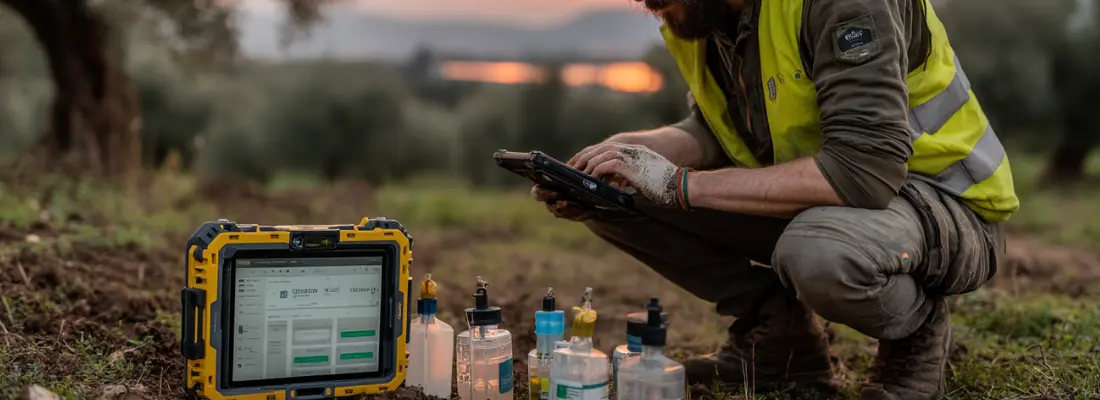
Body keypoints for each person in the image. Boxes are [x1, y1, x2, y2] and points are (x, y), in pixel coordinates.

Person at [531, 0, 1018, 398]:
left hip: (946, 204)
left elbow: (863, 171)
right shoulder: (716, 18)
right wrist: (627, 155)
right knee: (614, 194)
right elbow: (712, 131)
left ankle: (916, 331)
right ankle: (781, 341)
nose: (651, 6)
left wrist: (680, 184)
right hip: (834, 203)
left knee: (817, 254)